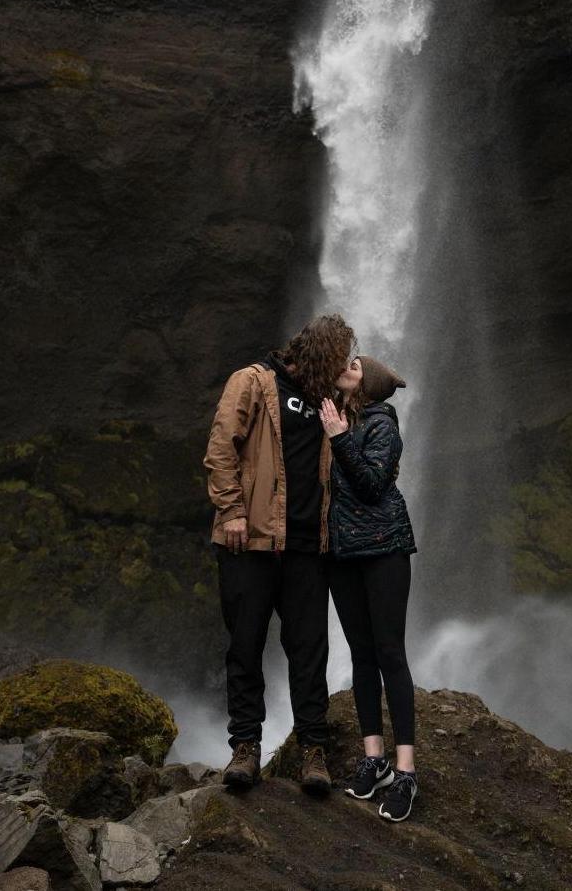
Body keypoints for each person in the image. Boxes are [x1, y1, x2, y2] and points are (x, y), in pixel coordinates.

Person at [203, 313, 357, 795]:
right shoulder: (253, 381)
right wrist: (231, 510)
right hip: (248, 542)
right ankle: (245, 748)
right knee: (245, 646)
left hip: (309, 548)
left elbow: (382, 383)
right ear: (318, 355)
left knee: (311, 650)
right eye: (339, 359)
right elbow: (221, 448)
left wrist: (354, 377)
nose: (345, 368)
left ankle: (313, 750)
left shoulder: (332, 401)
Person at [319, 355, 419, 822]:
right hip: (342, 554)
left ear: (369, 383)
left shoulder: (383, 424)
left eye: (355, 364)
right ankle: (373, 756)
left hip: (384, 549)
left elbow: (373, 484)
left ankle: (405, 771)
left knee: (389, 652)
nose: (346, 365)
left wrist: (339, 438)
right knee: (361, 653)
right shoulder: (332, 413)